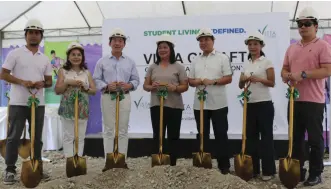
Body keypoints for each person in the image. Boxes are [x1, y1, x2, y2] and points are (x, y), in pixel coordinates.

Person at [281, 7, 331, 186]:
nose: (303, 27)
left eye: (307, 24)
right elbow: (284, 70)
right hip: (294, 100)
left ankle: (316, 173)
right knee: (295, 139)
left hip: (314, 101)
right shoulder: (292, 48)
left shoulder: (323, 46)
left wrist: (302, 74)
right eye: (300, 24)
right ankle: (298, 170)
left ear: (316, 26)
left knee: (315, 139)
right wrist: (287, 75)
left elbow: (327, 70)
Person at [0, 19, 52, 185]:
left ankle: (37, 167)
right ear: (26, 35)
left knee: (36, 137)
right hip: (18, 102)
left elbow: (49, 81)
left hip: (38, 103)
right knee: (13, 136)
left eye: (37, 33)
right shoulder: (15, 54)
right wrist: (23, 82)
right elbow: (4, 74)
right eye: (30, 32)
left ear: (41, 36)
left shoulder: (44, 58)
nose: (33, 36)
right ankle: (9, 170)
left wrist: (42, 83)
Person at [93, 28, 140, 171]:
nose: (117, 43)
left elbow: (136, 80)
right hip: (108, 97)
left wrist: (129, 85)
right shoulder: (102, 61)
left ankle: (122, 160)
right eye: (114, 41)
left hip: (124, 97)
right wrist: (106, 86)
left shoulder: (130, 62)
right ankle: (109, 160)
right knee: (108, 129)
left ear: (124, 44)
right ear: (109, 43)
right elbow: (96, 79)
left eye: (120, 41)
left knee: (123, 129)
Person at [188, 28, 233, 174]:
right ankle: (203, 165)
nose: (203, 43)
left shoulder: (222, 58)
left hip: (218, 104)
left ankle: (224, 166)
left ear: (213, 41)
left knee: (221, 134)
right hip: (199, 105)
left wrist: (212, 82)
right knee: (202, 133)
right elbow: (190, 80)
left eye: (206, 39)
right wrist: (198, 81)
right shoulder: (195, 60)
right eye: (201, 40)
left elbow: (228, 78)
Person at [143, 34, 188, 166]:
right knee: (158, 134)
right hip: (157, 105)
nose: (162, 50)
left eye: (165, 47)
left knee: (174, 135)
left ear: (171, 49)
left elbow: (185, 86)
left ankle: (172, 163)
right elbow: (146, 86)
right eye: (160, 48)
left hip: (174, 106)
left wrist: (175, 88)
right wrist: (152, 86)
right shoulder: (153, 67)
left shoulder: (178, 67)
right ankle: (158, 163)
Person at [239, 31, 276, 181]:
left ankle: (268, 171)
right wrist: (243, 80)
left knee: (266, 138)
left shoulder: (266, 62)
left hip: (264, 104)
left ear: (261, 46)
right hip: (250, 105)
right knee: (251, 138)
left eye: (255, 44)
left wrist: (259, 79)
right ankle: (253, 169)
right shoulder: (246, 64)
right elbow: (241, 85)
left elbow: (272, 82)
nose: (252, 47)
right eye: (250, 44)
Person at [55, 42, 96, 159]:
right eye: (73, 54)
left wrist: (85, 87)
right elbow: (58, 90)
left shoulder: (86, 72)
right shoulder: (63, 71)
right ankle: (69, 160)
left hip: (82, 108)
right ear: (68, 57)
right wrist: (67, 82)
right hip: (68, 108)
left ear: (82, 57)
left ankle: (78, 160)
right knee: (68, 136)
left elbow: (93, 90)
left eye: (79, 54)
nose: (76, 57)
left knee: (80, 136)